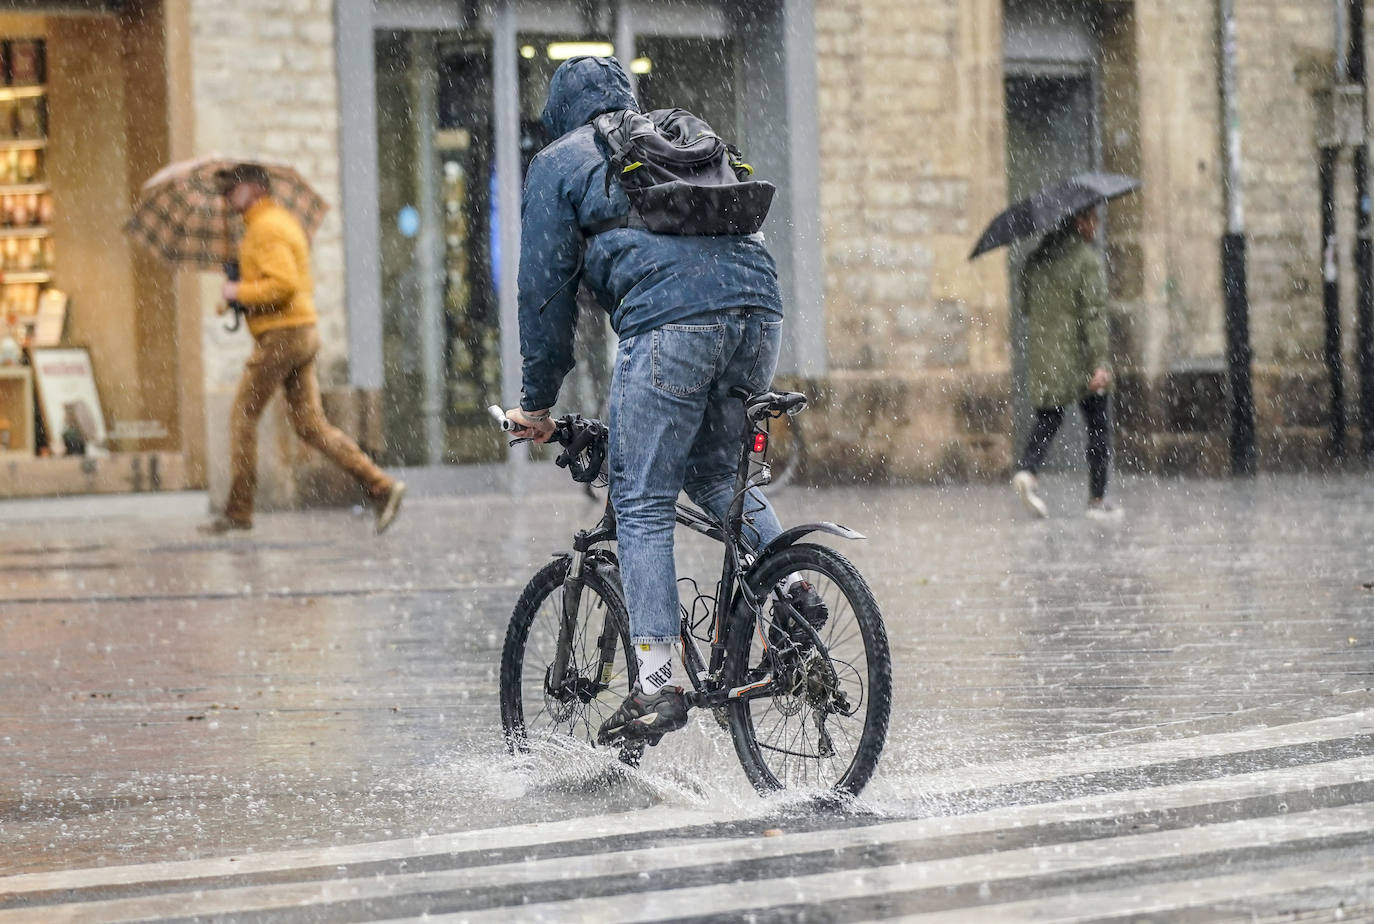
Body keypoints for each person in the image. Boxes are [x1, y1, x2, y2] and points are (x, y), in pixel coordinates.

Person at [503, 56, 824, 746]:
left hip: (672, 325)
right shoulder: (679, 135)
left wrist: (536, 401)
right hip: (758, 310)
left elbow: (544, 293)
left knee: (642, 500)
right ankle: (796, 592)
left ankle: (656, 683)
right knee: (714, 477)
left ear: (558, 113)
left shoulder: (561, 161)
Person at [201, 163, 406, 535]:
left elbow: (283, 284)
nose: (226, 196)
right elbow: (275, 282)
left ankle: (239, 510)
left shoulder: (266, 228)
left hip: (283, 335)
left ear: (254, 189)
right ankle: (380, 485)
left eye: (232, 189)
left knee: (242, 417)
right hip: (298, 331)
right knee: (310, 425)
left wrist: (238, 292)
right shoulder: (270, 224)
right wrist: (233, 295)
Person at [1011, 204, 1122, 521]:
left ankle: (1028, 471)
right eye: (1093, 219)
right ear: (1079, 221)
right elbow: (1095, 314)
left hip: (1046, 354)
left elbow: (1026, 306)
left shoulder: (1036, 260)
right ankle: (1098, 499)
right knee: (1098, 426)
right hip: (1083, 355)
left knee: (1049, 417)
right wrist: (1100, 362)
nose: (1097, 225)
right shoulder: (1087, 261)